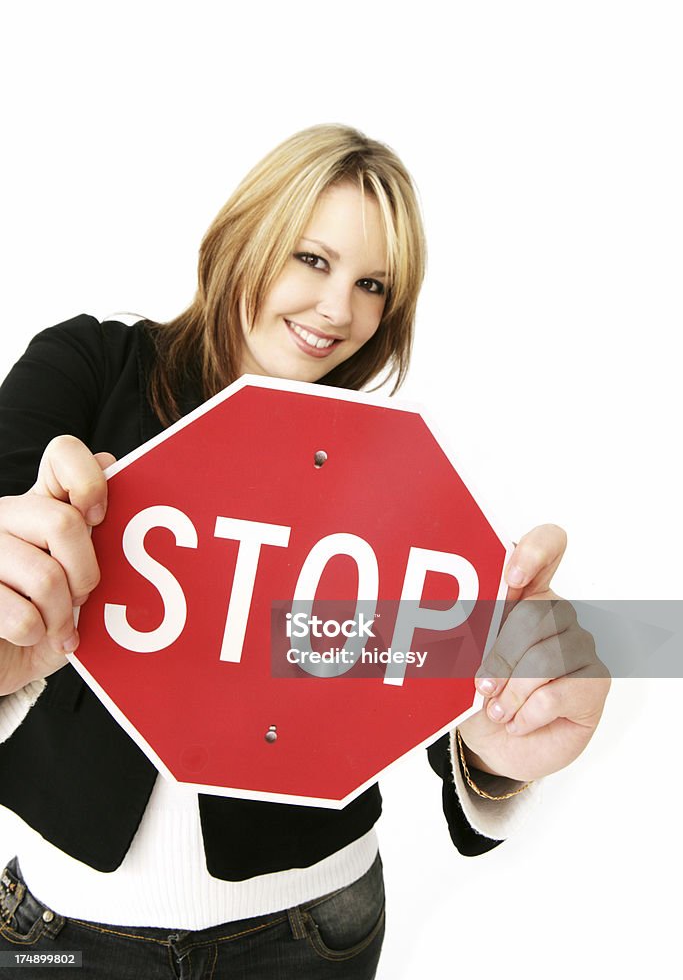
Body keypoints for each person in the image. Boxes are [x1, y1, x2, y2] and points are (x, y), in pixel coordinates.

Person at [0, 124, 610, 978]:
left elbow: (433, 684)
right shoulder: (90, 366)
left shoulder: (389, 472)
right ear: (242, 237)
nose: (339, 311)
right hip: (62, 924)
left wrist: (497, 751)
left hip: (312, 930)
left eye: (372, 285)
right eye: (312, 260)